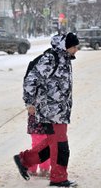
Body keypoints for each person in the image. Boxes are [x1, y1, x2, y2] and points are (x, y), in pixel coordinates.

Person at [14, 32, 79, 187]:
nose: (77, 49)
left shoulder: (64, 59)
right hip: (50, 111)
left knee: (53, 144)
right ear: (66, 46)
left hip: (60, 111)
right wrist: (30, 103)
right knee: (61, 146)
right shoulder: (51, 58)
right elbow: (31, 80)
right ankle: (58, 178)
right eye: (75, 46)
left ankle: (25, 160)